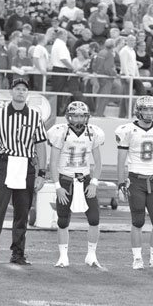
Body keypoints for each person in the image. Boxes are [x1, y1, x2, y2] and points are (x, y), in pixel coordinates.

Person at [0, 78, 48, 265]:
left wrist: (41, 173)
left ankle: (18, 253)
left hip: (26, 165)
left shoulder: (35, 116)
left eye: (24, 89)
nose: (21, 92)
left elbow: (41, 145)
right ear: (11, 92)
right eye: (17, 89)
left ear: (27, 93)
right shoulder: (0, 115)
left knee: (22, 212)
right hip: (6, 163)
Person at [116, 96, 153, 269]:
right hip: (135, 179)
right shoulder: (127, 130)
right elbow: (121, 160)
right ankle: (137, 258)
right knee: (138, 221)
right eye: (145, 109)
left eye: (151, 109)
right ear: (138, 111)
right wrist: (120, 184)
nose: (149, 113)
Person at [48, 101, 105, 268]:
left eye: (82, 115)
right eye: (76, 115)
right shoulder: (61, 132)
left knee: (94, 218)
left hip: (85, 179)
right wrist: (57, 186)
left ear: (86, 117)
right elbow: (53, 162)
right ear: (69, 116)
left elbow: (98, 162)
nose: (79, 118)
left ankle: (91, 255)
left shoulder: (92, 133)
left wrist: (94, 182)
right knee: (63, 220)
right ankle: (63, 256)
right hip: (65, 179)